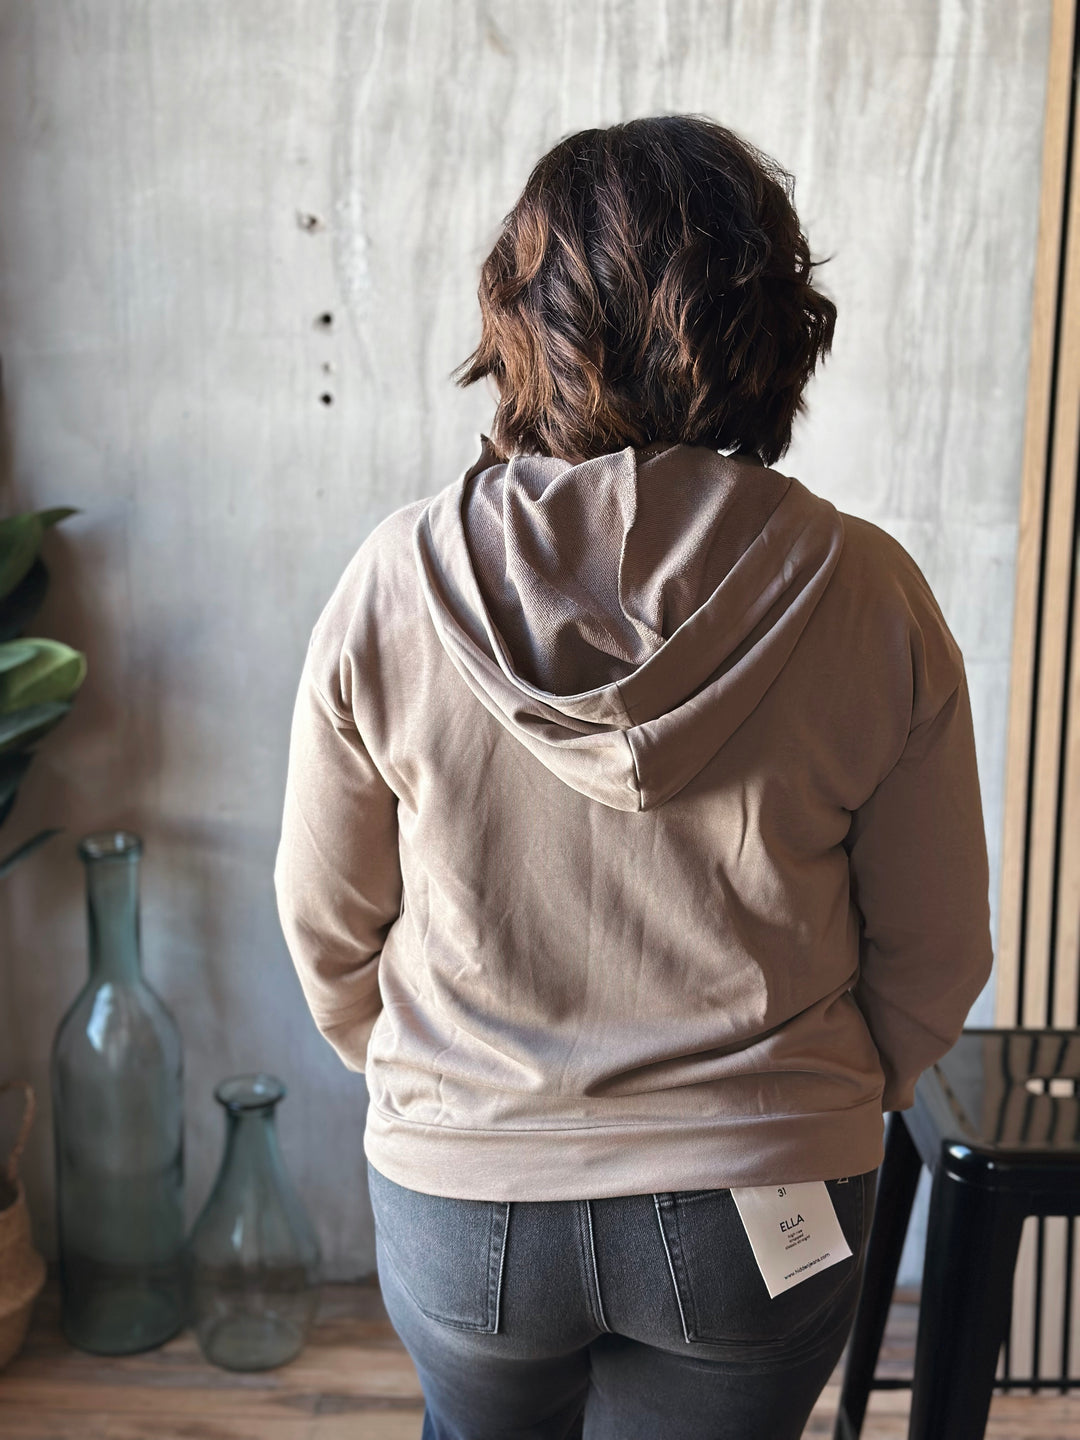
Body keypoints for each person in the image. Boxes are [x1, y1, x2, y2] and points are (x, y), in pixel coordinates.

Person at [273, 115, 994, 1440]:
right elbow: (938, 953)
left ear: (522, 316)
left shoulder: (393, 583)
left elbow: (327, 933)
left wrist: (449, 1095)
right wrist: (813, 1102)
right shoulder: (869, 593)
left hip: (463, 1197)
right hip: (761, 1200)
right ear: (772, 321)